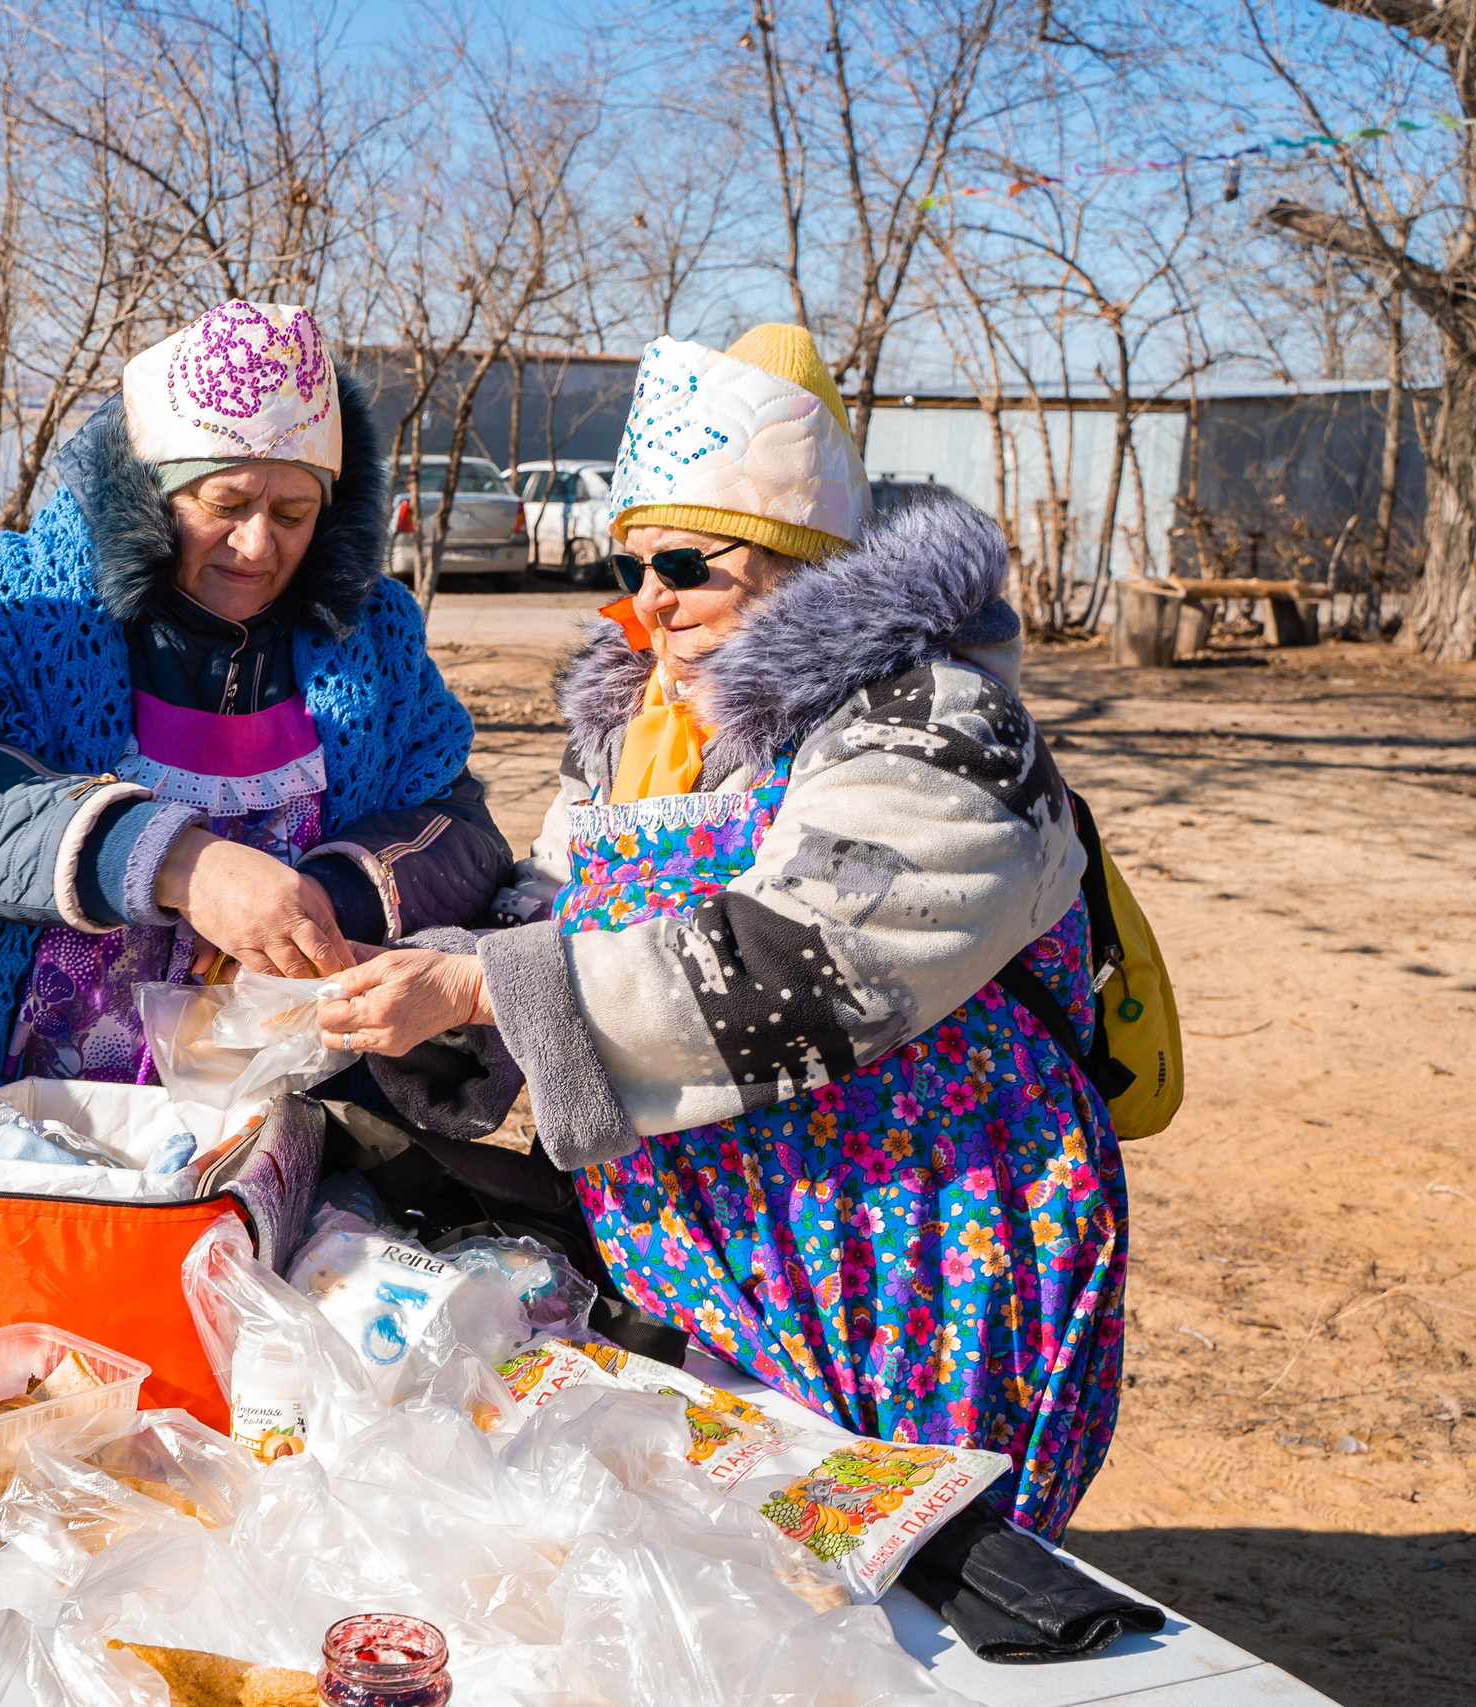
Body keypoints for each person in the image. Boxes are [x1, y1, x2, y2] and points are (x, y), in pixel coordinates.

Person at [321, 324, 1125, 1540]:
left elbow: (815, 958)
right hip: (708, 1250)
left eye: (688, 564)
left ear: (801, 566)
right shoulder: (647, 722)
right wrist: (433, 1001)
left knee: (904, 1553)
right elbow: (565, 899)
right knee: (735, 1551)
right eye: (632, 562)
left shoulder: (940, 718)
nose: (648, 600)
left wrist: (488, 993)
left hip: (907, 1240)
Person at [0, 299, 508, 1130]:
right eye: (224, 503)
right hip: (3, 1104)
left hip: (248, 1118)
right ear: (152, 492)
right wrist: (183, 865)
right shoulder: (11, 601)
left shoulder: (371, 640)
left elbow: (459, 825)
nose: (256, 546)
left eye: (291, 514)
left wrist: (321, 897)